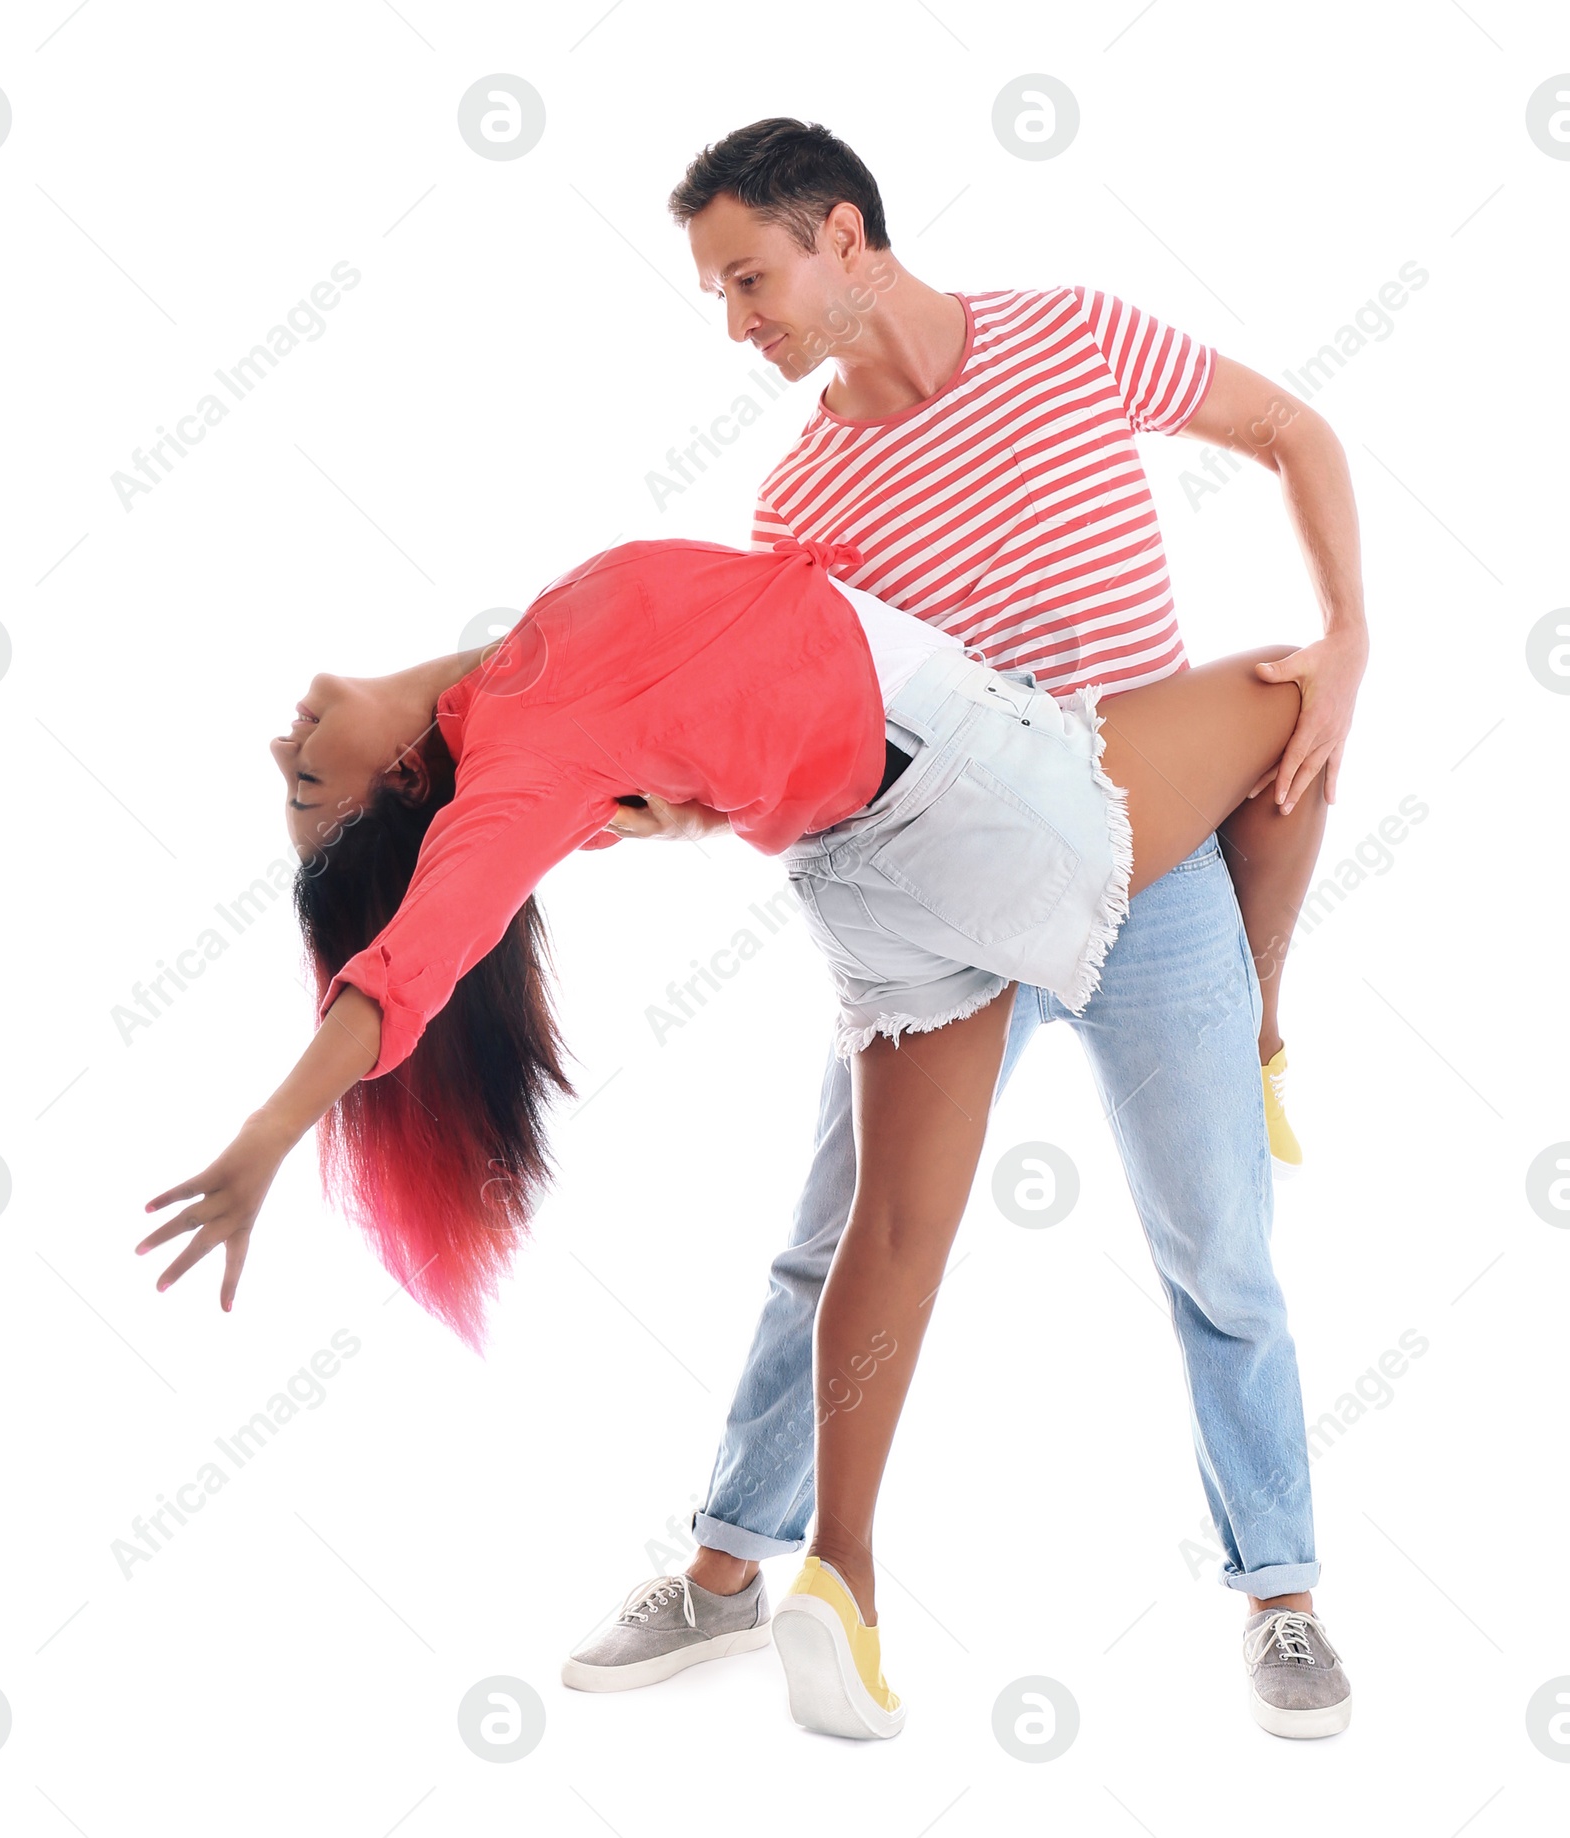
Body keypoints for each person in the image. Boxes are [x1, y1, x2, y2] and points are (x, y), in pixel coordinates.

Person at [138, 530, 1336, 1741]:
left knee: (891, 1229)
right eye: (303, 784)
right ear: (401, 784)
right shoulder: (515, 767)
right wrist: (267, 1132)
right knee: (1300, 695)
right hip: (995, 803)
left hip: (872, 876)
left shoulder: (518, 684)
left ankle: (840, 1581)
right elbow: (406, 966)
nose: (280, 744)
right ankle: (1265, 1046)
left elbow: (628, 686)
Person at [571, 119, 1365, 1739]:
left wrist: (1350, 635)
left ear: (844, 234)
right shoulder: (801, 497)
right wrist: (669, 805)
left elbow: (1289, 425)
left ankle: (1280, 1592)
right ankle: (734, 1571)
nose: (738, 322)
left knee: (1219, 1253)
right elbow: (813, 737)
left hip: (1150, 885)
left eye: (749, 276)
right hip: (948, 920)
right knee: (832, 1241)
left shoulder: (1070, 335)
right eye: (718, 292)